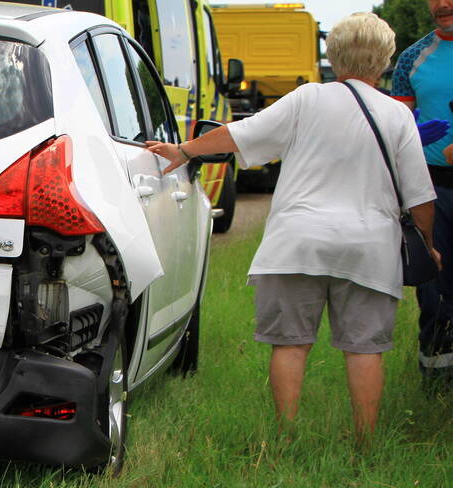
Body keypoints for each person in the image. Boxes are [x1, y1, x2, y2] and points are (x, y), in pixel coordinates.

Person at [146, 13, 439, 441]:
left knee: (291, 344)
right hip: (370, 247)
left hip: (297, 242)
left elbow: (239, 134)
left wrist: (185, 150)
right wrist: (429, 243)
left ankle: (286, 437)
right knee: (365, 348)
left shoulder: (306, 99)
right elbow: (420, 197)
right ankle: (365, 443)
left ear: (334, 55)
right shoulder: (396, 116)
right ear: (385, 59)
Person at [391, 0, 453, 386]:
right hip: (432, 188)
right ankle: (436, 384)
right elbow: (397, 131)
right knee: (435, 287)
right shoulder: (412, 58)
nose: (441, 3)